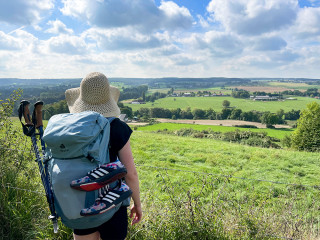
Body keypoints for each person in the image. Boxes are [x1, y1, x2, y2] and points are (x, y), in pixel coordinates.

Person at [65, 72, 142, 240]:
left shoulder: (71, 129)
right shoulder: (116, 127)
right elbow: (130, 174)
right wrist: (137, 203)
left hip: (79, 203)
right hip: (111, 203)